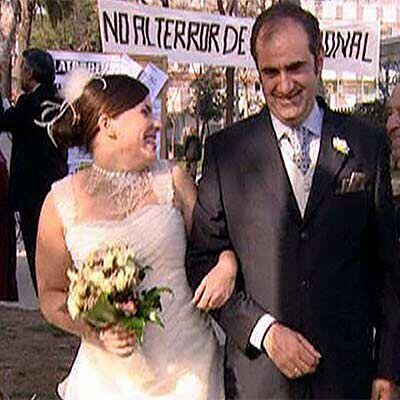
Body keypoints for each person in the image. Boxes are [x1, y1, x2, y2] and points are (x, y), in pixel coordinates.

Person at [186, 3, 400, 399]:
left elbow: (387, 269)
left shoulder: (366, 146)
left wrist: (388, 369)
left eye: (295, 67)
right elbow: (201, 262)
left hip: (346, 376)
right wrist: (264, 332)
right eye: (271, 72)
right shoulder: (225, 153)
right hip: (260, 381)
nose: (284, 85)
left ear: (319, 60)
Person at [36, 72, 238, 399]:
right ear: (108, 123)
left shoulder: (172, 180)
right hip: (107, 380)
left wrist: (227, 264)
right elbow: (50, 294)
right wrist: (95, 330)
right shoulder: (61, 201)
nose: (157, 125)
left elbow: (216, 245)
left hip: (188, 371)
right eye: (145, 112)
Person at [0, 48, 68, 294]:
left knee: (36, 248)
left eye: (22, 67)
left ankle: (45, 300)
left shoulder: (28, 103)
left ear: (30, 72)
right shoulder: (60, 100)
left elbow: (4, 121)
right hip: (56, 189)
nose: (20, 72)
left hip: (31, 192)